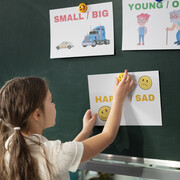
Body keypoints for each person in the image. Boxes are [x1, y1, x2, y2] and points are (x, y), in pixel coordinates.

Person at [0, 69, 134, 180]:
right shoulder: (53, 154)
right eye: (51, 100)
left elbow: (63, 159)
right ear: (37, 115)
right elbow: (108, 136)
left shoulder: (9, 150)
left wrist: (85, 132)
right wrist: (118, 98)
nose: (54, 105)